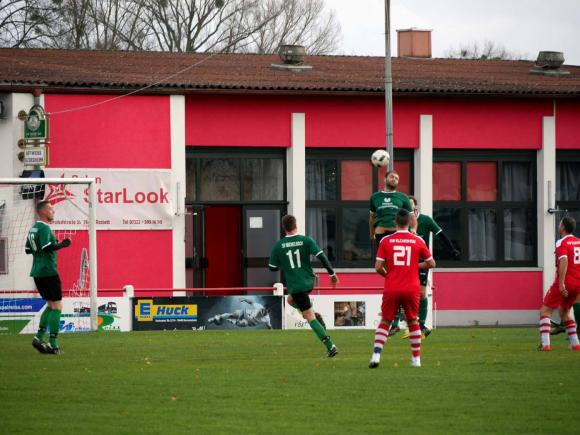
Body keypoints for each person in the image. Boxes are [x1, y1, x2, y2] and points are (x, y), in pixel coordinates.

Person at [369, 208, 436, 368]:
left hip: (392, 287)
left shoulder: (386, 241)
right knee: (413, 321)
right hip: (412, 288)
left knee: (385, 321)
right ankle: (416, 359)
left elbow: (378, 267)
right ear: (410, 222)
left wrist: (389, 275)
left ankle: (376, 356)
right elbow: (431, 263)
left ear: (395, 222)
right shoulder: (418, 240)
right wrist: (414, 266)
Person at [268, 214, 339, 357]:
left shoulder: (278, 246)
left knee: (308, 316)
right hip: (308, 281)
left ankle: (330, 346)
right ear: (296, 225)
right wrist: (332, 274)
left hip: (297, 285)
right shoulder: (306, 240)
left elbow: (272, 267)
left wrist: (285, 264)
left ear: (284, 228)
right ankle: (314, 315)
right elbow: (321, 256)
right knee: (289, 300)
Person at [394, 195, 460, 338]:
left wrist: (452, 249)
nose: (408, 208)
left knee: (422, 293)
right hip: (405, 264)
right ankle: (410, 326)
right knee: (404, 293)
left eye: (410, 205)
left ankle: (420, 324)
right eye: (405, 206)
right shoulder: (399, 223)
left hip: (421, 262)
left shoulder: (425, 220)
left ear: (415, 206)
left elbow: (441, 235)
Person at [25, 200, 72, 355]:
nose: (53, 211)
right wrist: (63, 244)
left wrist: (49, 247)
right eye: (51, 209)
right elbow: (47, 247)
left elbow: (27, 249)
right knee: (57, 306)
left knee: (51, 305)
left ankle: (38, 337)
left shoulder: (33, 229)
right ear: (43, 211)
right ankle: (53, 343)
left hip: (37, 271)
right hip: (48, 271)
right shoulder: (44, 228)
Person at [538, 216, 580, 351]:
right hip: (578, 282)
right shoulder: (578, 242)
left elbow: (564, 261)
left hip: (566, 281)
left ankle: (545, 344)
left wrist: (561, 283)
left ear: (562, 227)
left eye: (559, 224)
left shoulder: (561, 242)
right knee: (565, 311)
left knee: (545, 309)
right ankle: (575, 344)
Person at [369, 170, 414, 246]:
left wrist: (414, 229)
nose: (394, 179)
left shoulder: (403, 197)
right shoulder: (374, 197)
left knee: (395, 257)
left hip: (396, 233)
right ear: (385, 179)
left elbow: (412, 217)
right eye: (392, 177)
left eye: (396, 178)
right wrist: (371, 233)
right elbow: (371, 217)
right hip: (380, 233)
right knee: (382, 257)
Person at [207, 299, 273, 329]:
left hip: (247, 322)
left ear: (268, 312)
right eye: (263, 310)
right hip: (244, 313)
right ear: (263, 307)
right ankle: (215, 318)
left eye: (266, 312)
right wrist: (244, 299)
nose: (264, 312)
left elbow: (269, 327)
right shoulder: (259, 306)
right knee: (233, 315)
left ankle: (233, 322)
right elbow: (251, 302)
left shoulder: (267, 319)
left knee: (244, 323)